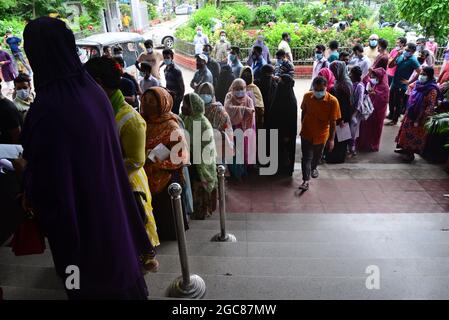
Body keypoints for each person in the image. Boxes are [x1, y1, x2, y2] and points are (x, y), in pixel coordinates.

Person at [21, 17, 152, 299]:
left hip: (81, 230)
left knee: (81, 284)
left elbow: (49, 187)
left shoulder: (47, 110)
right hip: (115, 218)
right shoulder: (94, 92)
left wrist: (25, 171)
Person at [85, 56, 160, 271]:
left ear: (98, 83)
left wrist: (102, 168)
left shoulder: (130, 119)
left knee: (135, 227)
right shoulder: (100, 109)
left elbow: (136, 160)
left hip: (127, 185)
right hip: (105, 181)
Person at [141, 87, 190, 240]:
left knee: (167, 212)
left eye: (152, 101)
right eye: (145, 100)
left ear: (162, 103)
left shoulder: (171, 126)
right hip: (145, 175)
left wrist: (155, 160)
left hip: (165, 177)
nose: (147, 105)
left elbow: (180, 156)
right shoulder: (141, 121)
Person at [299, 76, 340, 191]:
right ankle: (305, 180)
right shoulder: (307, 96)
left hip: (321, 136)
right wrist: (303, 125)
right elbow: (304, 112)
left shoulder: (333, 101)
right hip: (306, 133)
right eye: (316, 90)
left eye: (321, 90)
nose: (318, 92)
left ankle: (314, 168)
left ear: (326, 88)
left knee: (317, 157)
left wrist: (331, 140)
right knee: (306, 157)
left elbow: (333, 122)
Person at [181, 93, 218, 220]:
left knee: (199, 184)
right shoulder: (186, 118)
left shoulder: (202, 123)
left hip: (201, 161)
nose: (183, 107)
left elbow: (204, 146)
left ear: (193, 106)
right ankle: (193, 210)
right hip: (190, 159)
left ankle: (202, 212)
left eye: (185, 105)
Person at [395, 66, 439, 162]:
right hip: (410, 112)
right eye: (421, 74)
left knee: (413, 136)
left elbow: (431, 105)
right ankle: (404, 149)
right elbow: (411, 87)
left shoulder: (432, 89)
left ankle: (410, 155)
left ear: (429, 76)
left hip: (419, 117)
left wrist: (422, 119)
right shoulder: (419, 84)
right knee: (405, 132)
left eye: (424, 75)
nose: (421, 76)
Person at [224, 78, 256, 180]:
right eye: (236, 88)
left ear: (245, 88)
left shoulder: (248, 99)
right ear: (232, 88)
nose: (239, 91)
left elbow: (252, 112)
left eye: (241, 88)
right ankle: (235, 172)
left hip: (244, 129)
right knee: (233, 151)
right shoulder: (229, 96)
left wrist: (244, 110)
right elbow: (227, 109)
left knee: (243, 151)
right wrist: (244, 110)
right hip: (232, 128)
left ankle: (243, 171)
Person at [267, 74, 297, 176]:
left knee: (284, 151)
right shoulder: (279, 95)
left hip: (285, 134)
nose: (279, 83)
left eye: (281, 82)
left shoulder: (290, 101)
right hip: (276, 131)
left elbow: (290, 121)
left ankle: (284, 171)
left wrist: (287, 135)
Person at [198, 82, 234, 164]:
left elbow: (225, 128)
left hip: (217, 144)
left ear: (213, 94)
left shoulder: (219, 110)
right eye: (202, 93)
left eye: (208, 93)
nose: (205, 95)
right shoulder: (196, 108)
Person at [325, 61, 354, 164]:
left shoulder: (344, 85)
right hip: (340, 114)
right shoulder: (341, 81)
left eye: (334, 71)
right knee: (338, 137)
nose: (333, 73)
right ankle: (335, 156)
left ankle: (337, 158)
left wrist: (342, 118)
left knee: (340, 137)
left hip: (342, 115)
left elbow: (346, 104)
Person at [387, 43, 421, 125]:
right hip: (394, 82)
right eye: (405, 49)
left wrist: (409, 82)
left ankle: (395, 120)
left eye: (408, 50)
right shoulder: (401, 56)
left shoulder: (413, 60)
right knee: (391, 100)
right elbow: (390, 65)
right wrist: (396, 56)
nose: (405, 51)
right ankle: (391, 115)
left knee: (398, 103)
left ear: (412, 52)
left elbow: (419, 72)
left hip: (402, 85)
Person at [357, 67, 390, 152]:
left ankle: (372, 145)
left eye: (374, 76)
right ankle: (363, 143)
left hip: (378, 112)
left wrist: (375, 94)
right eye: (372, 76)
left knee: (375, 129)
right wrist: (369, 73)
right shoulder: (374, 83)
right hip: (369, 109)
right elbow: (364, 80)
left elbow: (384, 100)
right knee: (365, 127)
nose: (372, 78)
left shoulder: (384, 87)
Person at [347, 66, 365, 157]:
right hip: (351, 111)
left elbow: (359, 102)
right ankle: (349, 149)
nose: (349, 75)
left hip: (356, 112)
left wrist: (353, 114)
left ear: (354, 75)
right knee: (349, 130)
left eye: (351, 73)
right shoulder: (351, 84)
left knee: (353, 131)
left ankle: (352, 150)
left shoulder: (360, 86)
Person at [240, 66, 264, 130]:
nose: (246, 76)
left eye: (248, 74)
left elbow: (260, 107)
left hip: (252, 121)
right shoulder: (237, 87)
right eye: (244, 74)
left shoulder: (255, 89)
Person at [254, 64, 277, 129]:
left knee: (262, 127)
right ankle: (272, 139)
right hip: (272, 111)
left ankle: (263, 139)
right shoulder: (275, 83)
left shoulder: (256, 83)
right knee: (272, 128)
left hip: (261, 110)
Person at [163, 48, 185, 114]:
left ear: (172, 57)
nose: (166, 59)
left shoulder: (176, 70)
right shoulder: (166, 69)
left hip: (176, 98)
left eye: (168, 57)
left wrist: (179, 98)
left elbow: (182, 86)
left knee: (175, 115)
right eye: (164, 57)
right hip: (169, 96)